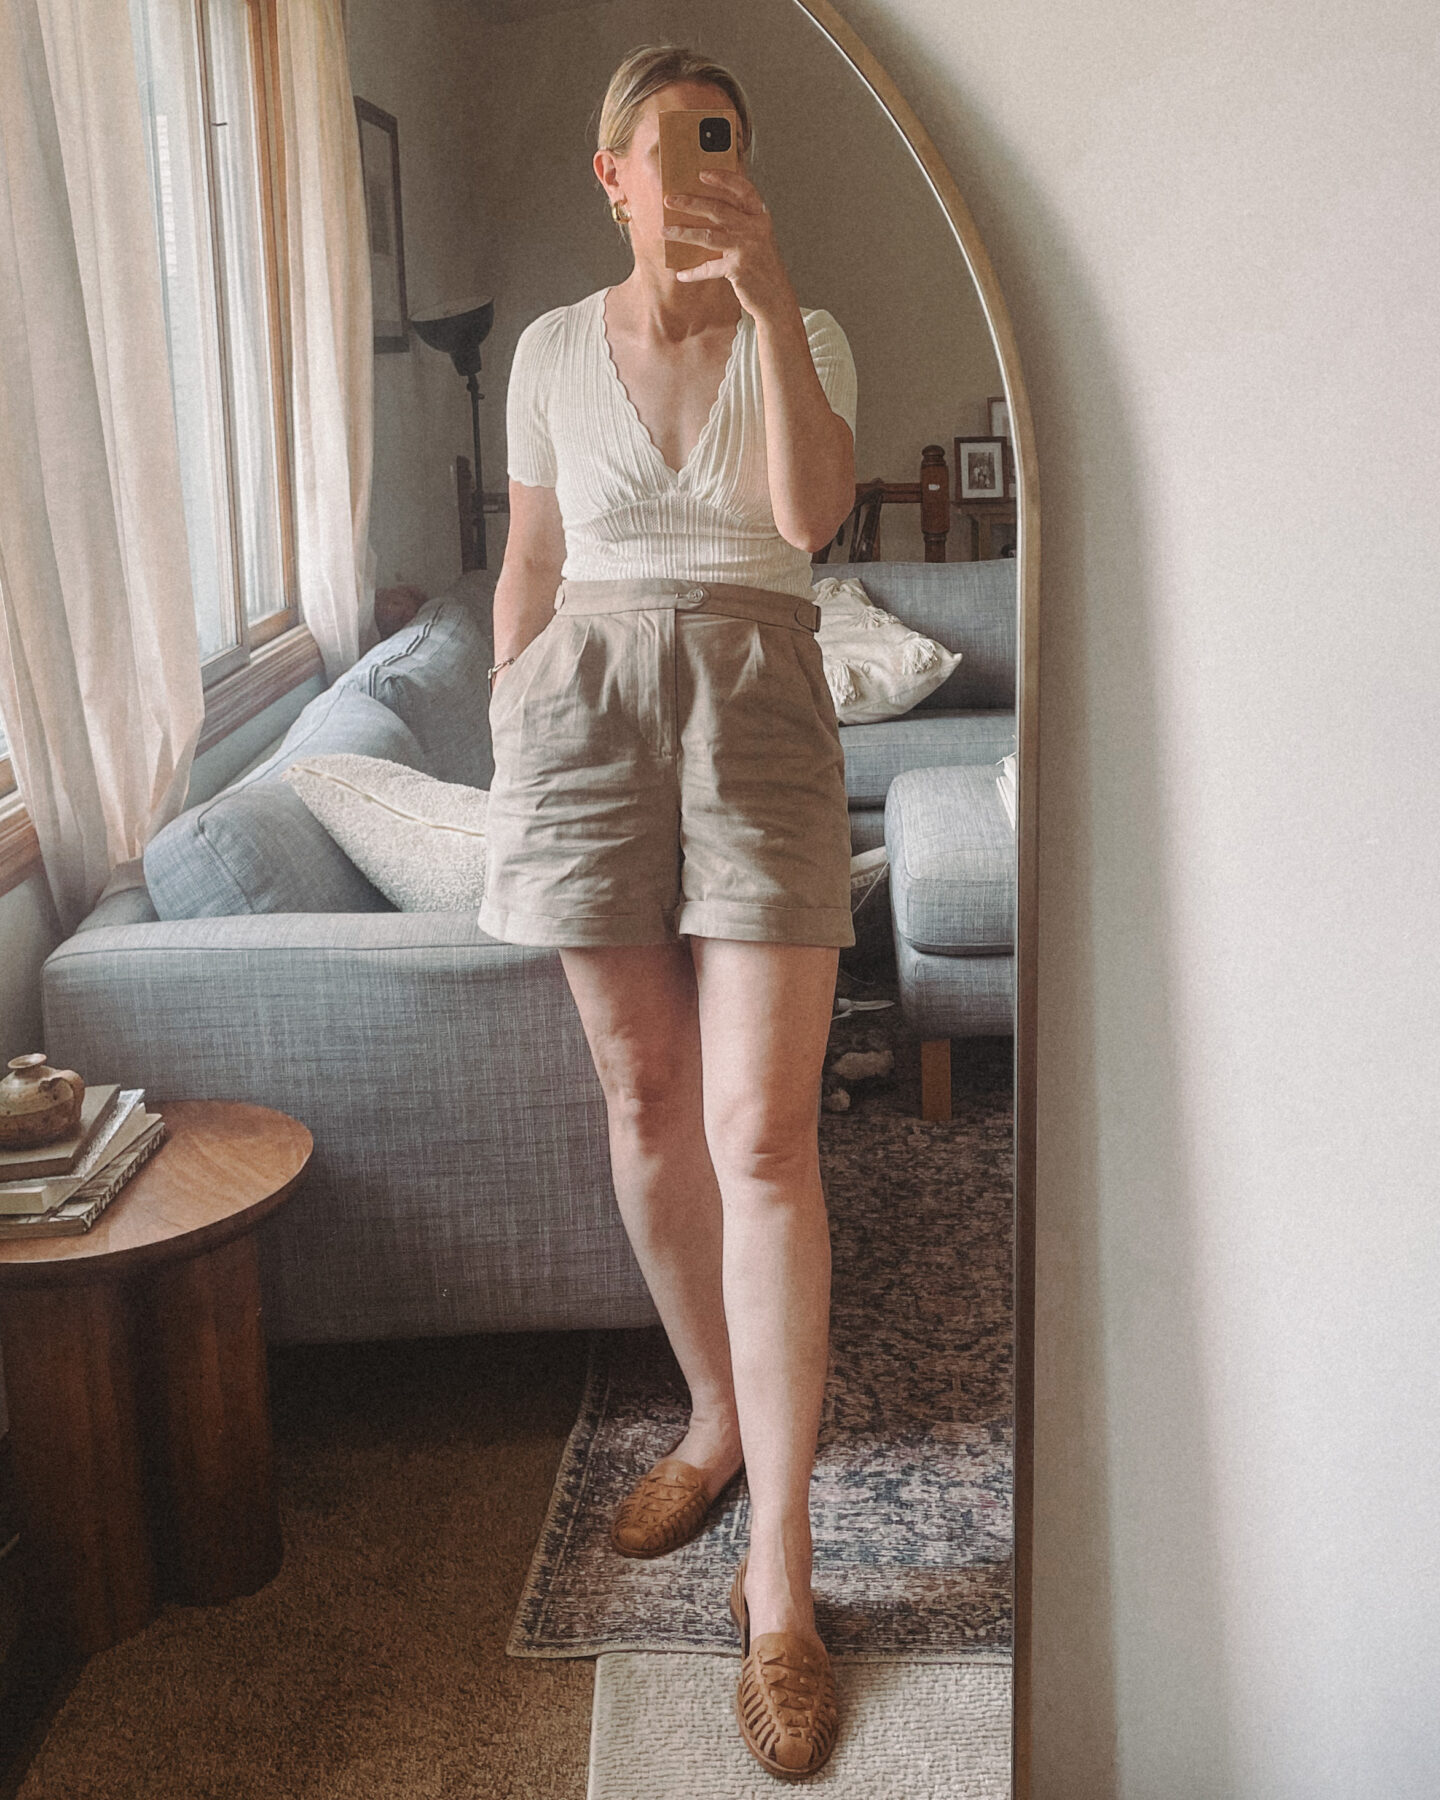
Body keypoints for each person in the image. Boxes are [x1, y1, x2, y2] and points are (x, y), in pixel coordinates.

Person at [477, 44, 856, 1780]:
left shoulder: (810, 328)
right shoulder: (551, 351)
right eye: (665, 148)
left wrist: (772, 306)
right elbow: (533, 562)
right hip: (581, 719)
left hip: (762, 703)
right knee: (644, 1100)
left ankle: (779, 1571)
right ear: (610, 174)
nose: (698, 171)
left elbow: (810, 517)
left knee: (763, 1135)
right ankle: (710, 1414)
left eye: (725, 146)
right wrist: (511, 712)